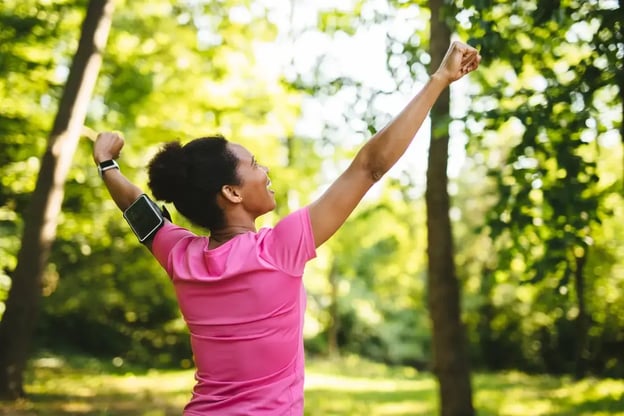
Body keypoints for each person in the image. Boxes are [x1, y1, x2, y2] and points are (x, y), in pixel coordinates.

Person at [93, 40, 480, 415]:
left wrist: (106, 163)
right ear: (231, 192)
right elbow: (369, 167)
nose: (265, 171)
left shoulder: (182, 257)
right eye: (254, 165)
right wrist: (438, 80)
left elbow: (137, 209)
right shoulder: (278, 250)